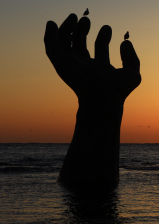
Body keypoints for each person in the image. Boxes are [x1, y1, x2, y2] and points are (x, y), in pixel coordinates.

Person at [44, 13, 141, 186]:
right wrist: (110, 97)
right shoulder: (113, 87)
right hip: (104, 183)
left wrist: (105, 95)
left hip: (80, 185)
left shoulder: (106, 86)